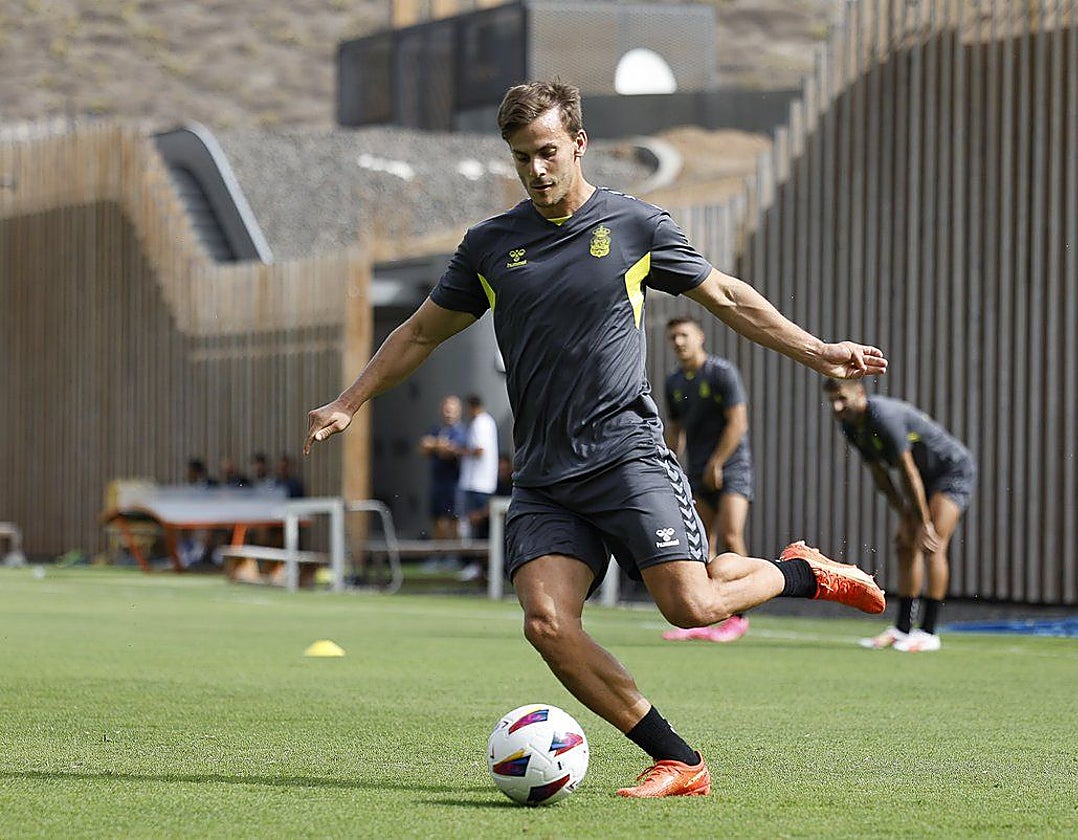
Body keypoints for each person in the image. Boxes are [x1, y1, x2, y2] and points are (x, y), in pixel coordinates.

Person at [305, 81, 888, 798]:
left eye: (548, 151)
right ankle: (679, 760)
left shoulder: (636, 226)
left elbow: (728, 297)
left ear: (578, 143)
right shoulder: (490, 247)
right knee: (547, 624)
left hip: (626, 455)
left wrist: (817, 350)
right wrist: (349, 401)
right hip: (548, 476)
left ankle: (802, 571)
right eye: (522, 158)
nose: (537, 170)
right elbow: (421, 330)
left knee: (692, 606)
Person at [821, 379, 976, 653]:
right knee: (904, 545)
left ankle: (928, 632)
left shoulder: (883, 417)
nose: (837, 406)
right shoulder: (849, 426)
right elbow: (880, 476)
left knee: (932, 543)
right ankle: (902, 628)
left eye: (842, 398)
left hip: (951, 472)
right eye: (832, 400)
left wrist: (924, 522)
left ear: (860, 393)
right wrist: (905, 513)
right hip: (922, 480)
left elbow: (908, 471)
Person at [660, 316, 755, 643]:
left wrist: (718, 462)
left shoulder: (721, 373)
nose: (679, 341)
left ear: (700, 337)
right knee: (701, 545)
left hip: (732, 468)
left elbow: (738, 423)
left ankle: (739, 616)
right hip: (698, 471)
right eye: (673, 337)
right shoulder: (674, 382)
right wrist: (667, 466)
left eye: (684, 335)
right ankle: (707, 614)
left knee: (731, 536)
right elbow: (675, 429)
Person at [457, 394, 500, 582]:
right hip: (479, 483)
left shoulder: (481, 423)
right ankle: (480, 568)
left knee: (478, 528)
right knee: (476, 528)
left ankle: (479, 568)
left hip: (479, 484)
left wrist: (455, 450)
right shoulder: (484, 422)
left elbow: (479, 450)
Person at [420, 395, 468, 561]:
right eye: (446, 409)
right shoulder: (436, 429)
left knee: (454, 519)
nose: (448, 413)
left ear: (459, 411)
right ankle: (438, 557)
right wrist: (438, 445)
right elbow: (424, 447)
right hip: (437, 482)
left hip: (454, 483)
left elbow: (450, 451)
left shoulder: (461, 431)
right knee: (437, 519)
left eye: (452, 410)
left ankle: (454, 558)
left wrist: (438, 446)